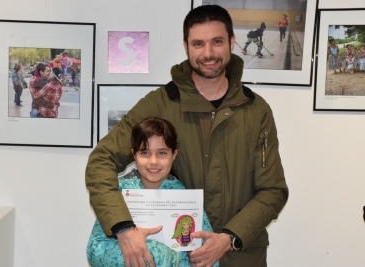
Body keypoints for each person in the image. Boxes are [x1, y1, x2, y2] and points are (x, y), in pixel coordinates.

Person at [86, 5, 288, 267]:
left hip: (241, 256)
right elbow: (101, 159)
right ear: (186, 46)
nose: (208, 53)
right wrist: (123, 228)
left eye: (216, 42)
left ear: (232, 42)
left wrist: (228, 238)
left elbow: (272, 190)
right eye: (198, 44)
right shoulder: (160, 103)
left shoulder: (256, 109)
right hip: (180, 260)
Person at [86, 117, 219, 267]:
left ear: (174, 155)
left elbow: (209, 256)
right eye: (145, 153)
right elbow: (95, 252)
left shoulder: (185, 199)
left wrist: (196, 260)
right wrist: (158, 254)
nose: (153, 161)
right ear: (133, 154)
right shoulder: (118, 195)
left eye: (162, 153)